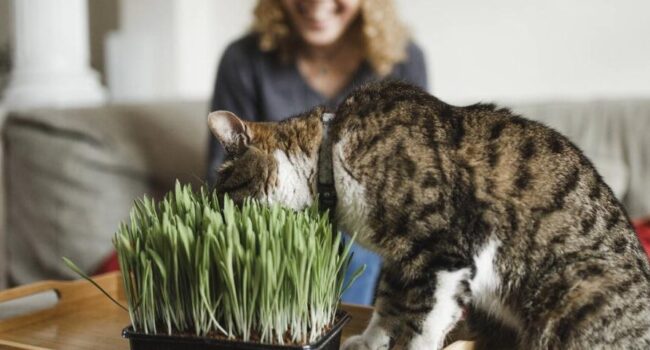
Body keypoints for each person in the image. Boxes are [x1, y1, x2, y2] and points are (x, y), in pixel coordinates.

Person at [207, 0, 428, 305]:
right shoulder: (243, 60)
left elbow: (413, 179)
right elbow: (224, 176)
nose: (318, 3)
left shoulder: (403, 60)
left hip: (365, 226)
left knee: (361, 241)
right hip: (278, 226)